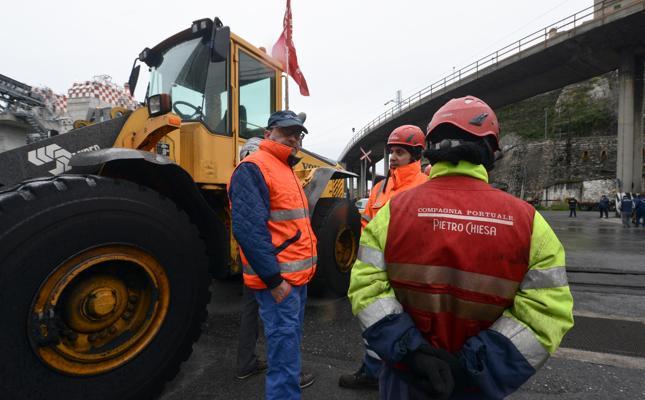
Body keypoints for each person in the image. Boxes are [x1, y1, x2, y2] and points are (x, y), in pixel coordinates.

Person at [347, 96, 574, 399]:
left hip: (406, 381)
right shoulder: (530, 224)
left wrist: (411, 352)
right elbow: (547, 315)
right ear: (490, 150)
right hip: (475, 389)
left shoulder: (392, 212)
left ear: (431, 148)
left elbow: (366, 290)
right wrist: (475, 366)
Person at [229, 110, 316, 399]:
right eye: (286, 131)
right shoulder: (255, 167)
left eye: (297, 133)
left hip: (294, 281)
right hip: (280, 284)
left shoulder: (285, 168)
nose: (294, 138)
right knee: (283, 358)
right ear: (268, 134)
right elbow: (249, 231)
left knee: (287, 348)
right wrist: (274, 280)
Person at [340, 125, 428, 390]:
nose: (393, 157)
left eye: (400, 152)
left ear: (415, 155)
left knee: (410, 328)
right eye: (391, 151)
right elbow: (366, 225)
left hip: (410, 273)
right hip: (377, 270)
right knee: (374, 323)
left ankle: (405, 379)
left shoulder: (426, 186)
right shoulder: (379, 188)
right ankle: (372, 372)